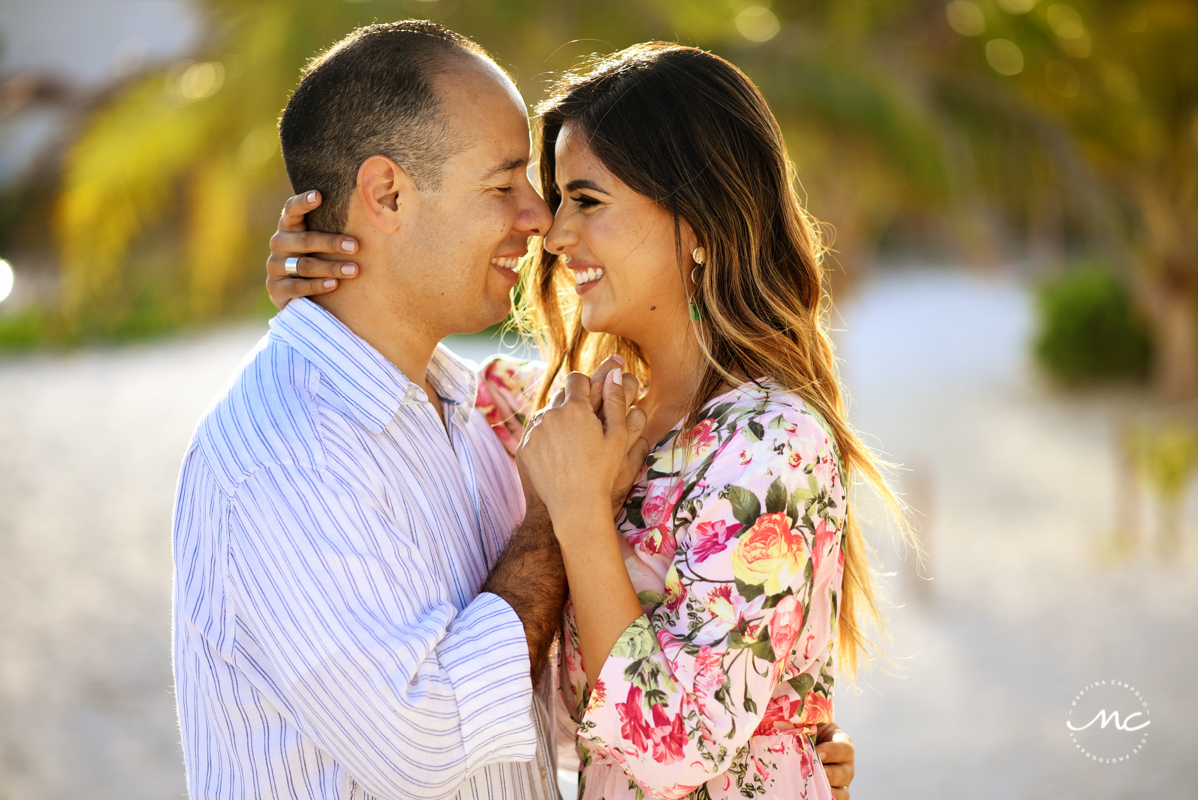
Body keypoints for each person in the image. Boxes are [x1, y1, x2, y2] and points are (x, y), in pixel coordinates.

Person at [266, 35, 872, 800]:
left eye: (587, 200)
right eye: (558, 201)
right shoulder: (587, 410)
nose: (552, 233)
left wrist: (581, 512)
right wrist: (333, 284)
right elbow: (406, 380)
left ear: (701, 223)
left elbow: (674, 747)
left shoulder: (770, 444)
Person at [172, 21, 622, 800]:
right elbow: (428, 742)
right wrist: (559, 512)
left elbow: (537, 706)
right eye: (503, 183)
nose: (540, 219)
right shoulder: (285, 455)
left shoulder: (463, 409)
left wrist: (770, 742)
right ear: (386, 195)